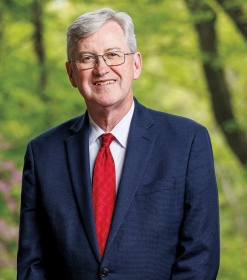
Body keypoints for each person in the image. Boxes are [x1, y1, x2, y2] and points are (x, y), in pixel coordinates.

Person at [17, 7, 220, 280]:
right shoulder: (43, 153)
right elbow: (32, 263)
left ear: (136, 64)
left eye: (113, 54)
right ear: (71, 74)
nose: (102, 69)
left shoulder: (187, 142)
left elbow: (200, 256)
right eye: (87, 58)